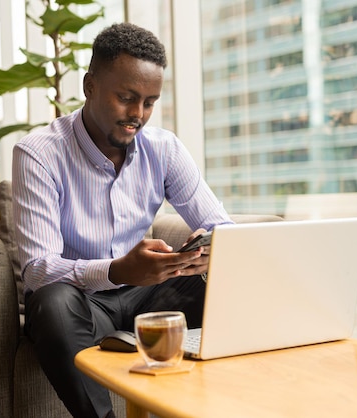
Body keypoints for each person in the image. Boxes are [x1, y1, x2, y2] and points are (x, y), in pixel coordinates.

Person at [12, 22, 232, 418]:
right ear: (90, 86)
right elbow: (37, 271)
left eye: (149, 102)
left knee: (222, 284)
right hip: (82, 305)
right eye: (127, 98)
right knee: (52, 304)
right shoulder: (39, 154)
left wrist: (207, 254)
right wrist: (118, 270)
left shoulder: (163, 149)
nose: (138, 115)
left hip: (148, 298)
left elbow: (221, 227)